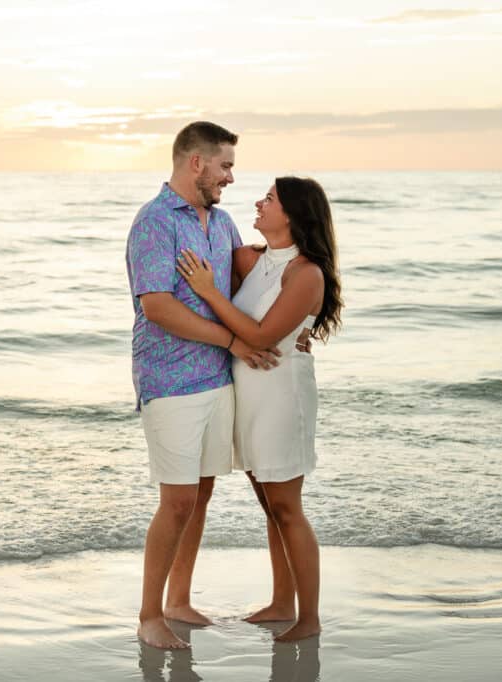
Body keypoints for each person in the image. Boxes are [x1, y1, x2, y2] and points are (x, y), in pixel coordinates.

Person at [125, 121, 280, 650]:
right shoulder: (154, 221)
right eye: (226, 166)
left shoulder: (222, 223)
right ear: (197, 163)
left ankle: (178, 600)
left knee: (202, 493)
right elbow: (158, 305)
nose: (231, 178)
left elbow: (247, 284)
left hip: (217, 377)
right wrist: (234, 342)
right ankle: (149, 615)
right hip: (170, 379)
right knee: (176, 501)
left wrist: (301, 323)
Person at [176, 176, 343, 642]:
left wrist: (210, 292)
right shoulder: (255, 260)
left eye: (269, 198)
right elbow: (210, 241)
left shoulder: (306, 273)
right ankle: (280, 602)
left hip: (281, 400)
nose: (258, 201)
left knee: (287, 509)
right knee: (271, 507)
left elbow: (263, 335)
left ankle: (308, 617)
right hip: (248, 397)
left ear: (291, 214)